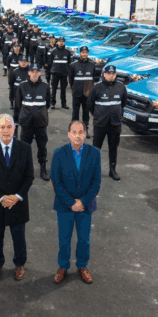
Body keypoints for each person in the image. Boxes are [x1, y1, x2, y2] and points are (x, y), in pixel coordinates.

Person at [0, 114, 35, 282]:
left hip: (18, 202)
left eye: (9, 127)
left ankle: (20, 263)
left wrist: (17, 197)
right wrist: (1, 197)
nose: (6, 131)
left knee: (19, 236)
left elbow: (29, 176)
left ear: (14, 128)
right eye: (2, 127)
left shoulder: (25, 148)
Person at [50, 121, 101, 284]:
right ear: (68, 134)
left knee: (84, 239)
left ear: (85, 134)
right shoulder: (59, 153)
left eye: (81, 132)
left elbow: (96, 182)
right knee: (64, 239)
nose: (77, 136)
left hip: (85, 206)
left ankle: (82, 266)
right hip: (65, 205)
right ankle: (63, 266)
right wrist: (71, 202)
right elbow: (56, 181)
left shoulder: (95, 153)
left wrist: (83, 202)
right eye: (74, 132)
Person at [88, 65, 127, 181]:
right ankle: (93, 170)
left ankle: (112, 170)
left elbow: (123, 103)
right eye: (109, 74)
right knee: (96, 148)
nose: (111, 76)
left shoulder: (121, 87)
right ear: (104, 74)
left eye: (113, 74)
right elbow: (90, 104)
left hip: (115, 124)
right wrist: (98, 115)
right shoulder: (97, 87)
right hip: (100, 123)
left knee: (113, 147)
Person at [15, 63, 51, 181]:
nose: (35, 74)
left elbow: (48, 103)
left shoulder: (45, 87)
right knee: (24, 146)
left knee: (42, 146)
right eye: (32, 71)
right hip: (26, 122)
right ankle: (23, 169)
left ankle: (43, 168)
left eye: (37, 72)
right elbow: (18, 104)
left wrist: (39, 113)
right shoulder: (22, 86)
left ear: (40, 73)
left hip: (40, 123)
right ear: (29, 72)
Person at [68, 45, 95, 131]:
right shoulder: (73, 65)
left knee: (86, 112)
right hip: (77, 92)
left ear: (88, 53)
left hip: (87, 94)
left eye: (86, 52)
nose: (84, 54)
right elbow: (71, 79)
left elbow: (93, 79)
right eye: (83, 52)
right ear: (80, 53)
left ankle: (85, 129)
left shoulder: (92, 65)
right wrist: (74, 89)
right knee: (75, 112)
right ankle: (74, 129)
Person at [48, 37, 71, 109]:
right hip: (55, 72)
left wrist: (67, 71)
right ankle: (52, 103)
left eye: (62, 41)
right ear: (57, 42)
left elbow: (69, 63)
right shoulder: (53, 51)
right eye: (60, 41)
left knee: (63, 89)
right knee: (54, 89)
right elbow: (50, 62)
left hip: (64, 73)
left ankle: (63, 104)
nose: (61, 43)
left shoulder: (67, 52)